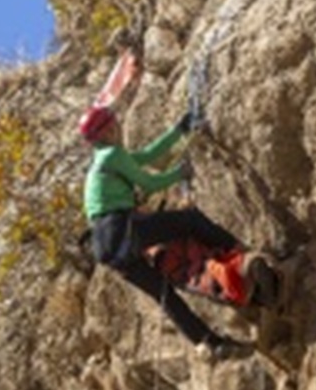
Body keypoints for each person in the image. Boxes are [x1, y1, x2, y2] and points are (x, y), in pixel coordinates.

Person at [79, 104, 250, 361]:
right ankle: (237, 249)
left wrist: (179, 130)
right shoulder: (112, 154)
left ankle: (208, 343)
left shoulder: (102, 161)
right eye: (113, 123)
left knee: (165, 295)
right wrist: (179, 174)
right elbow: (148, 183)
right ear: (106, 131)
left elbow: (148, 155)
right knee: (189, 221)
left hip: (106, 248)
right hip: (121, 228)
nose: (118, 126)